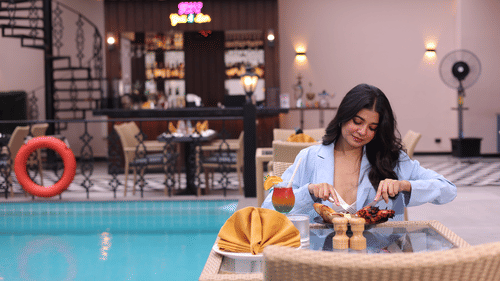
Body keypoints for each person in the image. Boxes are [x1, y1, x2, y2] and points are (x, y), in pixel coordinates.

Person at [261, 83, 457, 221]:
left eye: (372, 127)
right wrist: (309, 192)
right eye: (357, 121)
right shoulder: (310, 158)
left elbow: (448, 190)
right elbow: (270, 207)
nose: (363, 132)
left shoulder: (391, 160)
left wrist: (405, 185)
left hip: (376, 260)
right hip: (319, 258)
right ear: (343, 116)